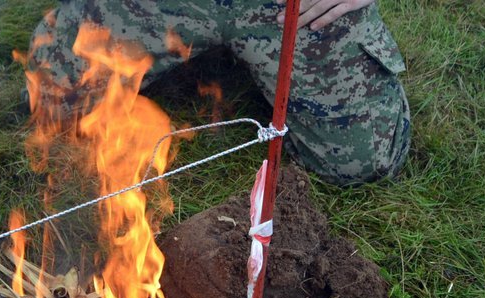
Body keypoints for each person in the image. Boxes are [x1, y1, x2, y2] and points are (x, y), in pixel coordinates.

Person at [25, 0, 410, 186]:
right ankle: (210, 48)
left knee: (360, 163)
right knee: (55, 98)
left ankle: (243, 49)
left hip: (288, 5)